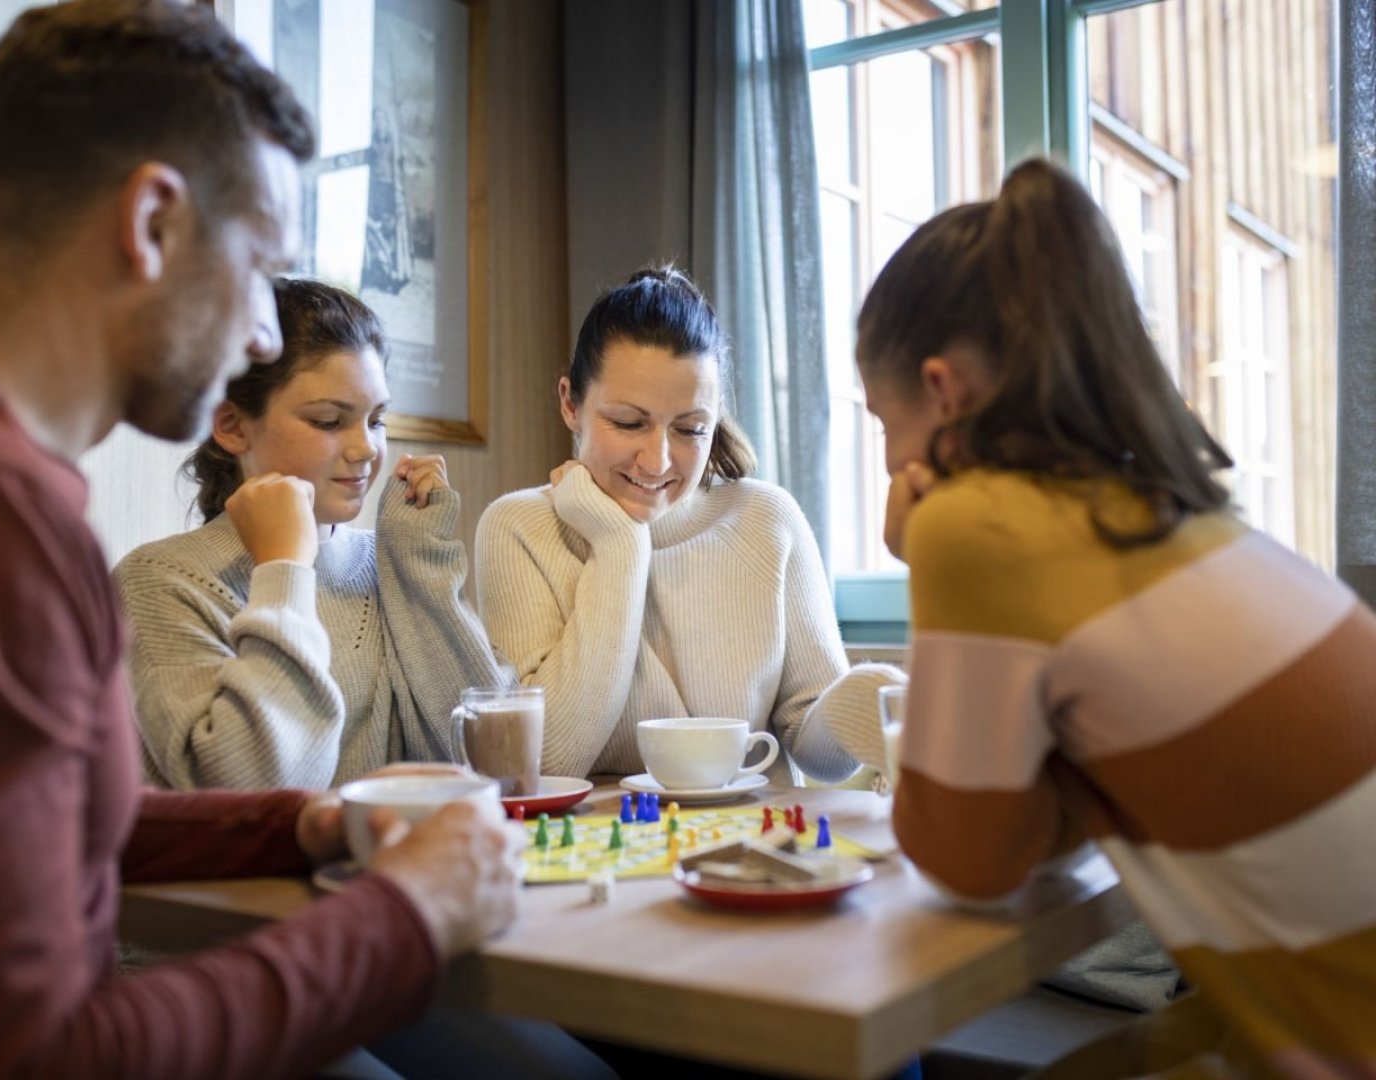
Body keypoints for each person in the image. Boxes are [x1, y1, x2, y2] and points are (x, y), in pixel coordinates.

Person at [0, 4, 610, 1077]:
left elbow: (69, 834)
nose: (260, 330)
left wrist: (305, 826)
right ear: (153, 222)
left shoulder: (3, 490)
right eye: (258, 265)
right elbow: (34, 1055)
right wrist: (403, 918)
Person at [858, 158, 1376, 1072]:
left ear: (943, 393)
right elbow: (1032, 827)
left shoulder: (978, 527)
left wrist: (923, 545)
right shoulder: (1165, 508)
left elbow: (970, 863)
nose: (889, 456)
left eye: (880, 423)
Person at [475, 266, 897, 783]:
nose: (656, 462)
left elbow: (821, 757)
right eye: (628, 423)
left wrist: (870, 695)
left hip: (749, 855)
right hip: (595, 857)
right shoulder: (518, 528)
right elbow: (546, 763)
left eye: (690, 429)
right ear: (570, 403)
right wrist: (619, 545)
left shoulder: (767, 521)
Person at [114, 277, 506, 791]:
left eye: (377, 419)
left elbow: (490, 759)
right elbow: (254, 792)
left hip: (394, 867)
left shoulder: (383, 564)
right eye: (328, 421)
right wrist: (285, 569)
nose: (366, 448)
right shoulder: (160, 582)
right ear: (231, 425)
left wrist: (418, 562)